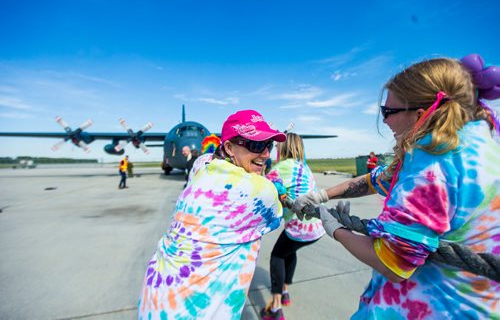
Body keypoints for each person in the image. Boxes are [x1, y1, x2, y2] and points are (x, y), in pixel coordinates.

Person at [293, 54, 500, 318]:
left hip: (430, 308)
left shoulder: (432, 161)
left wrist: (336, 229)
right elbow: (374, 180)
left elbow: (393, 264)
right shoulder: (473, 145)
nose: (385, 120)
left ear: (421, 113)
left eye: (388, 112)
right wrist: (322, 194)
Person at [138, 109, 287, 319]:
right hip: (194, 312)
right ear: (228, 147)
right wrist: (276, 185)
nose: (265, 154)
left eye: (269, 145)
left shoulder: (201, 165)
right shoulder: (260, 190)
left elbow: (208, 157)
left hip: (155, 300)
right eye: (256, 145)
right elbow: (278, 212)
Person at [261, 133, 325, 320]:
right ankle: (286, 291)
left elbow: (265, 194)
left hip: (299, 227)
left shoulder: (279, 169)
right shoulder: (305, 167)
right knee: (290, 250)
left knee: (277, 256)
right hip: (316, 228)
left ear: (282, 147)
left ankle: (276, 308)